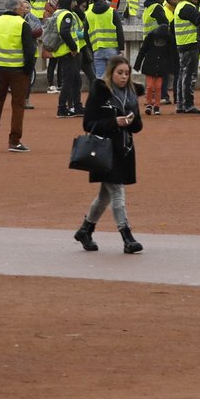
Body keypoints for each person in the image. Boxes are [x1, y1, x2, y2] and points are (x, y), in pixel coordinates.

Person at [74, 53, 144, 255]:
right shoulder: (100, 91)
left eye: (127, 73)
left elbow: (138, 126)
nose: (124, 77)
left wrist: (130, 121)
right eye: (120, 73)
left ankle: (85, 230)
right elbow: (88, 124)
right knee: (117, 192)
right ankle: (127, 236)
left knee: (105, 196)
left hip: (124, 150)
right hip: (104, 150)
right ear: (111, 72)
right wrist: (114, 122)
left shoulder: (131, 93)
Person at [0, 0, 36, 153]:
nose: (23, 9)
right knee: (18, 106)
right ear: (16, 8)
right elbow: (29, 51)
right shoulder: (22, 24)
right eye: (22, 6)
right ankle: (14, 141)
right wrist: (28, 71)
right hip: (18, 71)